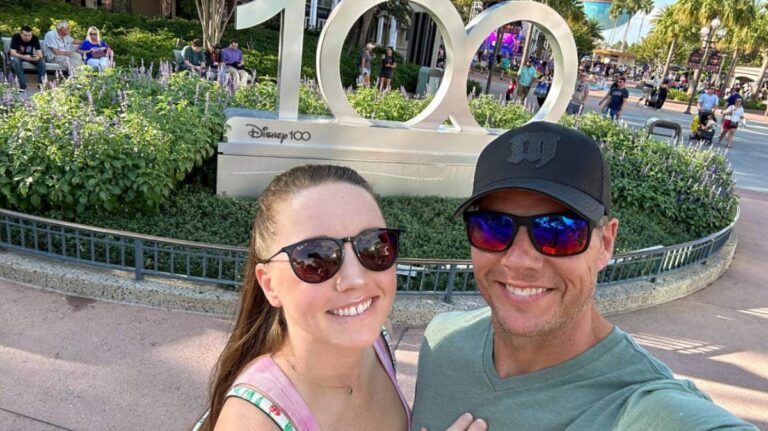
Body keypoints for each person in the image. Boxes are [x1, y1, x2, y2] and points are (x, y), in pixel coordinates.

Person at [410, 121, 759, 431]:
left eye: (558, 231)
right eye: (493, 227)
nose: (520, 260)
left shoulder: (638, 406)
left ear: (606, 243)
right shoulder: (441, 342)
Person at [195, 165, 485, 431]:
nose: (355, 279)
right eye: (315, 257)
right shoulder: (252, 423)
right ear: (269, 285)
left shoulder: (378, 343)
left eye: (373, 246)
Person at [8, 25, 46, 92]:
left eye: (29, 35)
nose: (28, 37)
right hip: (18, 56)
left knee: (41, 61)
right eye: (25, 35)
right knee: (16, 61)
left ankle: (41, 84)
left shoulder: (34, 38)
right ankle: (22, 85)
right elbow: (12, 53)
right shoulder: (16, 37)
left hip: (29, 56)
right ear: (21, 34)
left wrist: (37, 57)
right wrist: (24, 57)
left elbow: (40, 54)